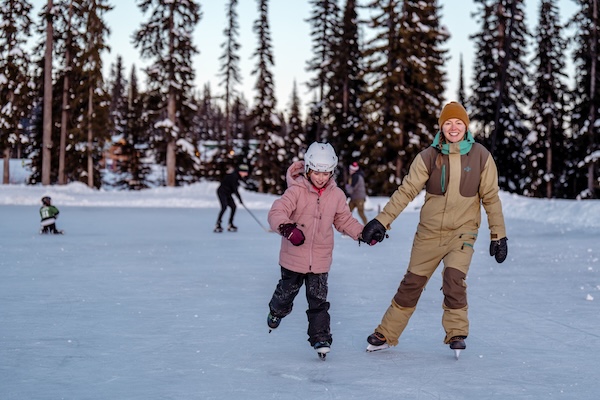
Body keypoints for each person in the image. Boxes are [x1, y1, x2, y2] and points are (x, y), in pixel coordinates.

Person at [361, 101, 508, 357]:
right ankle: (386, 333)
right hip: (429, 234)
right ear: (442, 126)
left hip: (462, 232)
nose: (453, 127)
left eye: (458, 123)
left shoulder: (481, 156)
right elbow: (406, 191)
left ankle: (457, 332)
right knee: (411, 284)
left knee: (454, 280)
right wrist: (381, 221)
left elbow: (491, 198)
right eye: (448, 123)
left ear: (466, 126)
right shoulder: (428, 157)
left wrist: (499, 235)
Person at [266, 142, 365, 359]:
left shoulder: (336, 195)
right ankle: (276, 310)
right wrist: (287, 228)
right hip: (293, 259)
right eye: (317, 172)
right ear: (308, 170)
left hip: (320, 261)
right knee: (286, 295)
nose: (321, 177)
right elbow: (277, 212)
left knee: (318, 301)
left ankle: (320, 336)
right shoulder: (296, 191)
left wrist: (362, 233)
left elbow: (344, 220)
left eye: (326, 173)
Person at [214, 164, 249, 233]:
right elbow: (235, 190)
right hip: (222, 192)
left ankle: (230, 224)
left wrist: (240, 199)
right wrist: (240, 199)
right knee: (224, 207)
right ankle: (218, 224)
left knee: (233, 207)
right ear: (240, 172)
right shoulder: (234, 177)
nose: (246, 174)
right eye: (245, 172)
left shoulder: (237, 177)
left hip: (228, 193)